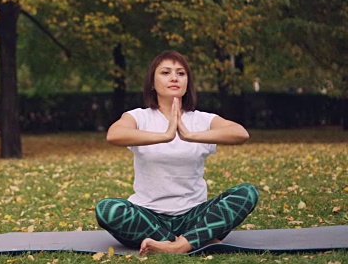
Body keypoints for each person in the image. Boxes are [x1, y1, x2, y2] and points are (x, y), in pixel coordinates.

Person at [95, 50, 258, 255]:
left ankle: (177, 246)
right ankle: (192, 241)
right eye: (165, 72)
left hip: (195, 216)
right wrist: (165, 135)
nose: (174, 77)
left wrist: (190, 135)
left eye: (181, 73)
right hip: (149, 215)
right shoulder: (138, 117)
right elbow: (114, 135)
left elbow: (240, 133)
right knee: (107, 209)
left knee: (247, 193)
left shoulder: (202, 119)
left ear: (187, 82)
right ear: (152, 84)